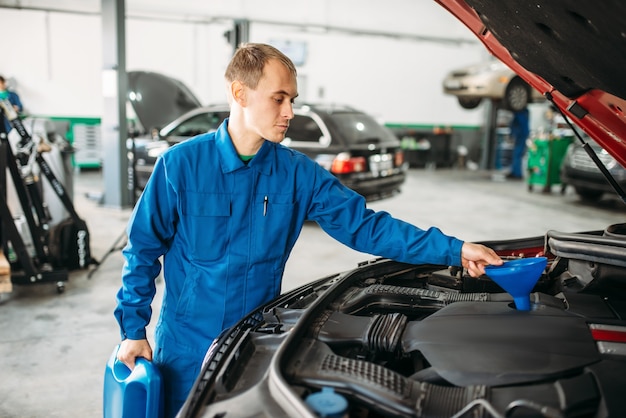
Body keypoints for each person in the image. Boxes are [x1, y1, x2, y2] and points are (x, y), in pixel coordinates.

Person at [114, 42, 503, 417]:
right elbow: (142, 251)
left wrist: (454, 249)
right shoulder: (180, 166)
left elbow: (366, 227)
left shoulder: (298, 174)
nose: (290, 111)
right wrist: (133, 330)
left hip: (256, 343)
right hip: (186, 346)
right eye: (278, 98)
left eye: (293, 100)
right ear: (240, 92)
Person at [507, 107, 530, 180]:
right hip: (522, 135)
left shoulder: (519, 114)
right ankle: (515, 172)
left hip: (520, 135)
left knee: (517, 154)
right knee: (517, 154)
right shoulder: (524, 112)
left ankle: (517, 173)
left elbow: (516, 125)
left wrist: (512, 134)